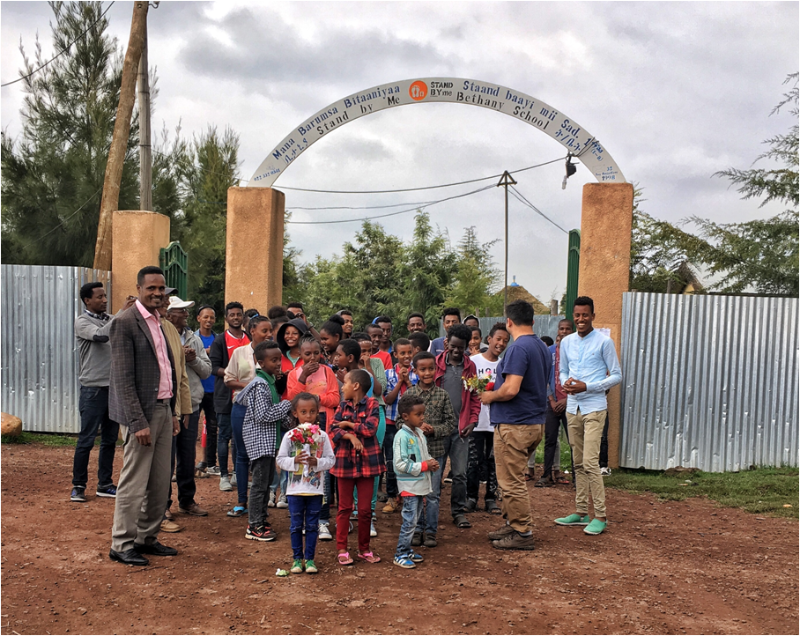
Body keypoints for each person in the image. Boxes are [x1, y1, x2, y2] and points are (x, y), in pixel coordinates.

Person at [108, 266, 180, 566]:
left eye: (161, 288)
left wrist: (174, 412)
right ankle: (121, 542)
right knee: (134, 481)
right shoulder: (125, 322)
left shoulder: (160, 322)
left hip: (164, 409)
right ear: (139, 288)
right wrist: (137, 422)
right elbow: (122, 379)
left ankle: (146, 538)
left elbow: (166, 369)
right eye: (151, 288)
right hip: (142, 414)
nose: (157, 293)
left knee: (160, 481)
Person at [481, 299, 551, 551]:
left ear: (509, 322)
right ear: (533, 320)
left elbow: (511, 389)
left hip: (515, 425)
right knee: (512, 478)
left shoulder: (518, 348)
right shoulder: (541, 346)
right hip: (533, 422)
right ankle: (513, 523)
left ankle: (522, 532)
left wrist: (489, 396)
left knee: (511, 482)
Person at [555, 296, 621, 536]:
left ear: (593, 315)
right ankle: (581, 511)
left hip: (594, 406)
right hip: (573, 408)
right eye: (577, 315)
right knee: (578, 461)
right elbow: (562, 371)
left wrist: (588, 386)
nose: (581, 319)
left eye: (585, 315)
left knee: (591, 463)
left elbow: (616, 375)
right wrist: (566, 383)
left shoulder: (604, 342)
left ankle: (600, 516)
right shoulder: (567, 342)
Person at [71, 282, 134, 503]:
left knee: (109, 440)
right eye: (99, 297)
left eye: (105, 296)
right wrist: (122, 313)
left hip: (114, 388)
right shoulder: (82, 321)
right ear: (87, 300)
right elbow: (100, 336)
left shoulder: (109, 319)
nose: (104, 300)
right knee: (86, 439)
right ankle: (78, 486)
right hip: (93, 388)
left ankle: (104, 484)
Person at [236, 341, 292, 542]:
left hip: (268, 443)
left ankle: (260, 519)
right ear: (260, 362)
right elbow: (263, 415)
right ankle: (254, 526)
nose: (278, 363)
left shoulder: (269, 382)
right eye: (273, 360)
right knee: (260, 484)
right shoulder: (260, 385)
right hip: (260, 443)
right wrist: (288, 404)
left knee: (266, 481)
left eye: (279, 359)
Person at [286, 337, 340, 541]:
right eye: (307, 354)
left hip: (324, 425)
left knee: (322, 474)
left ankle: (323, 521)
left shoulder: (327, 372)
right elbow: (292, 399)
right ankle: (302, 520)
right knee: (302, 473)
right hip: (301, 430)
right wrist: (303, 379)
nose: (312, 358)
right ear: (300, 354)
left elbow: (335, 398)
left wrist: (316, 400)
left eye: (316, 353)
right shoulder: (294, 374)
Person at [330, 369, 386, 565]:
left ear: (356, 386)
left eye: (345, 382)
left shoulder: (373, 404)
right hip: (344, 462)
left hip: (367, 464)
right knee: (344, 508)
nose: (342, 386)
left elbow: (371, 429)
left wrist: (347, 424)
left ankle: (364, 549)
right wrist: (351, 436)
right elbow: (333, 430)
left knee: (364, 510)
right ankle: (342, 549)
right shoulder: (342, 405)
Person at [276, 392, 336, 574]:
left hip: (315, 490)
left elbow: (331, 460)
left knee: (312, 525)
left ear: (317, 412)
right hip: (294, 490)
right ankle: (296, 559)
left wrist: (317, 463)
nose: (308, 416)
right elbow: (280, 459)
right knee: (295, 526)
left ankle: (310, 559)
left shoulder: (323, 436)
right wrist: (295, 460)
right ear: (295, 413)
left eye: (312, 412)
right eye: (303, 412)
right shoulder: (290, 436)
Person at [165, 296, 212, 518]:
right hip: (166, 406)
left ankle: (187, 501)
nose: (185, 314)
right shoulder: (161, 335)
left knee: (187, 453)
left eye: (185, 311)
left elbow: (206, 371)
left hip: (190, 404)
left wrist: (192, 359)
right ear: (168, 313)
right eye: (180, 310)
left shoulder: (193, 339)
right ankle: (162, 505)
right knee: (166, 457)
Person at [405, 352, 456, 548]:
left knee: (433, 494)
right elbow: (402, 420)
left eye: (431, 369)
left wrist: (435, 430)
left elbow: (451, 422)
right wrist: (417, 428)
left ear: (436, 370)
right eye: (422, 369)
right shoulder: (409, 395)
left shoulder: (442, 395)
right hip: (414, 454)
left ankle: (431, 532)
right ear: (415, 371)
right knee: (417, 492)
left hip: (435, 451)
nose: (427, 373)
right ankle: (417, 530)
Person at [224, 315, 273, 517]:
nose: (269, 334)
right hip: (242, 408)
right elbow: (228, 379)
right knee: (242, 454)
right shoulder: (239, 352)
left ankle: (260, 501)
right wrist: (251, 385)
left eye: (270, 330)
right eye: (264, 330)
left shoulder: (274, 353)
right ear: (252, 330)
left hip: (265, 410)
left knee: (265, 456)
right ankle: (242, 501)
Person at [434, 323, 481, 529]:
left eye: (460, 347)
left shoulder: (470, 367)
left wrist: (473, 420)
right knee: (435, 472)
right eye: (453, 346)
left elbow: (475, 396)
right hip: (437, 429)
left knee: (460, 473)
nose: (456, 350)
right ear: (447, 343)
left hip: (461, 430)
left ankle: (458, 511)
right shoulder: (435, 364)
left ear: (466, 346)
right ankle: (432, 512)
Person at [156, 298, 192, 533]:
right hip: (154, 409)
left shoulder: (170, 331)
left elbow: (180, 376)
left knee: (177, 460)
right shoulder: (139, 326)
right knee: (161, 465)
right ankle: (160, 511)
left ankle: (174, 506)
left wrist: (184, 410)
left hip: (174, 408)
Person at [466, 322, 510, 514]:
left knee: (494, 461)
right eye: (498, 339)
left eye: (505, 341)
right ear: (489, 339)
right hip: (476, 421)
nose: (501, 343)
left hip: (496, 421)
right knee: (474, 460)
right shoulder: (474, 361)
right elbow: (466, 387)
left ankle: (491, 498)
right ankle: (471, 497)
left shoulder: (505, 364)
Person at [392, 393, 439, 569]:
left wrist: (430, 463)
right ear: (405, 416)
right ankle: (400, 553)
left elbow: (423, 456)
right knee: (410, 521)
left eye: (422, 413)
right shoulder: (401, 437)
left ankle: (407, 549)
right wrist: (424, 466)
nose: (422, 417)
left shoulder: (419, 433)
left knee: (415, 518)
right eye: (418, 414)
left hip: (420, 485)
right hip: (409, 486)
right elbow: (399, 464)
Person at [209, 302, 250, 492]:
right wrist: (231, 374)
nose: (235, 317)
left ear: (243, 317)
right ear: (226, 318)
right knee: (224, 436)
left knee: (240, 437)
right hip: (225, 395)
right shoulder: (220, 340)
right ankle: (224, 475)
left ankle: (237, 474)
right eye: (232, 315)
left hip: (245, 395)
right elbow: (212, 367)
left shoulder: (249, 338)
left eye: (238, 314)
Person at [351, 332, 386, 535]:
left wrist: (368, 368)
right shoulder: (348, 368)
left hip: (375, 412)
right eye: (361, 351)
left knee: (371, 464)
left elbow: (379, 390)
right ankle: (355, 508)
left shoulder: (377, 364)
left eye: (368, 350)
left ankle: (369, 512)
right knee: (351, 463)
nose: (365, 354)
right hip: (353, 414)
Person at [381, 338, 418, 513]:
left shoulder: (417, 374)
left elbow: (417, 400)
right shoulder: (388, 374)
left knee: (410, 459)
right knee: (391, 462)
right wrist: (399, 382)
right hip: (390, 424)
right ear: (395, 355)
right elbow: (387, 399)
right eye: (402, 353)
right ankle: (392, 496)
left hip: (411, 427)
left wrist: (408, 382)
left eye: (409, 352)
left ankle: (408, 496)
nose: (406, 356)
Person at [537, 319, 575, 488]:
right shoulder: (549, 352)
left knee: (574, 441)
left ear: (572, 331)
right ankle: (546, 475)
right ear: (557, 331)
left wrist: (567, 399)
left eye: (568, 329)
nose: (564, 331)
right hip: (551, 403)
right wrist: (551, 400)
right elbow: (543, 377)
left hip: (572, 402)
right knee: (550, 439)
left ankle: (577, 478)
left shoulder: (577, 351)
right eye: (562, 328)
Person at [194, 305, 219, 476]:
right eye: (205, 317)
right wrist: (205, 352)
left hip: (213, 389)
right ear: (198, 319)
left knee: (212, 427)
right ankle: (189, 463)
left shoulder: (218, 339)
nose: (208, 320)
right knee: (189, 427)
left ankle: (211, 463)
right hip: (196, 389)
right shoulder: (192, 338)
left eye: (212, 317)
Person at [276, 318, 308, 392]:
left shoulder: (310, 357)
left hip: (305, 399)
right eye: (287, 333)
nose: (290, 336)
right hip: (284, 400)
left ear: (302, 335)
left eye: (295, 333)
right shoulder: (279, 357)